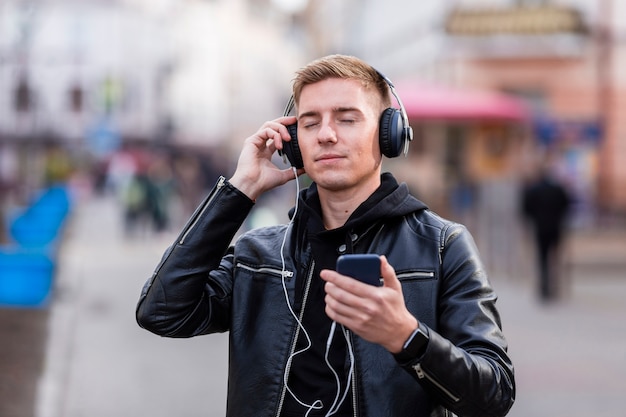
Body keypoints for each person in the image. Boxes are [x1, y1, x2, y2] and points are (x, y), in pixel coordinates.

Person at [136, 54, 515, 417]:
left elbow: (494, 394)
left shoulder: (443, 246)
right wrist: (240, 190)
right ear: (292, 141)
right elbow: (163, 313)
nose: (326, 135)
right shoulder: (259, 255)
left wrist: (407, 337)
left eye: (347, 119)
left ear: (389, 134)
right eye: (310, 122)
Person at [521, 162, 571, 301]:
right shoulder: (558, 189)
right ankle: (554, 285)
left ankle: (544, 287)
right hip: (555, 227)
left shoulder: (534, 190)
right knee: (555, 257)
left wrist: (534, 219)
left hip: (540, 227)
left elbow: (526, 208)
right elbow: (566, 205)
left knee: (542, 257)